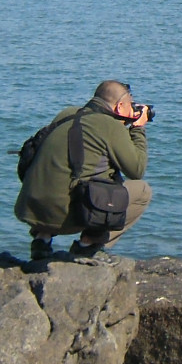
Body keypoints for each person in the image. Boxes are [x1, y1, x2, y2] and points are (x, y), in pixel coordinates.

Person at [15, 80, 152, 260]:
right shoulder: (110, 127)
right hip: (65, 218)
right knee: (142, 191)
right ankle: (88, 243)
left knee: (64, 172)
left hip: (31, 210)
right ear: (120, 107)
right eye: (129, 106)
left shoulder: (67, 114)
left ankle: (42, 239)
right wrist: (138, 128)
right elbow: (137, 169)